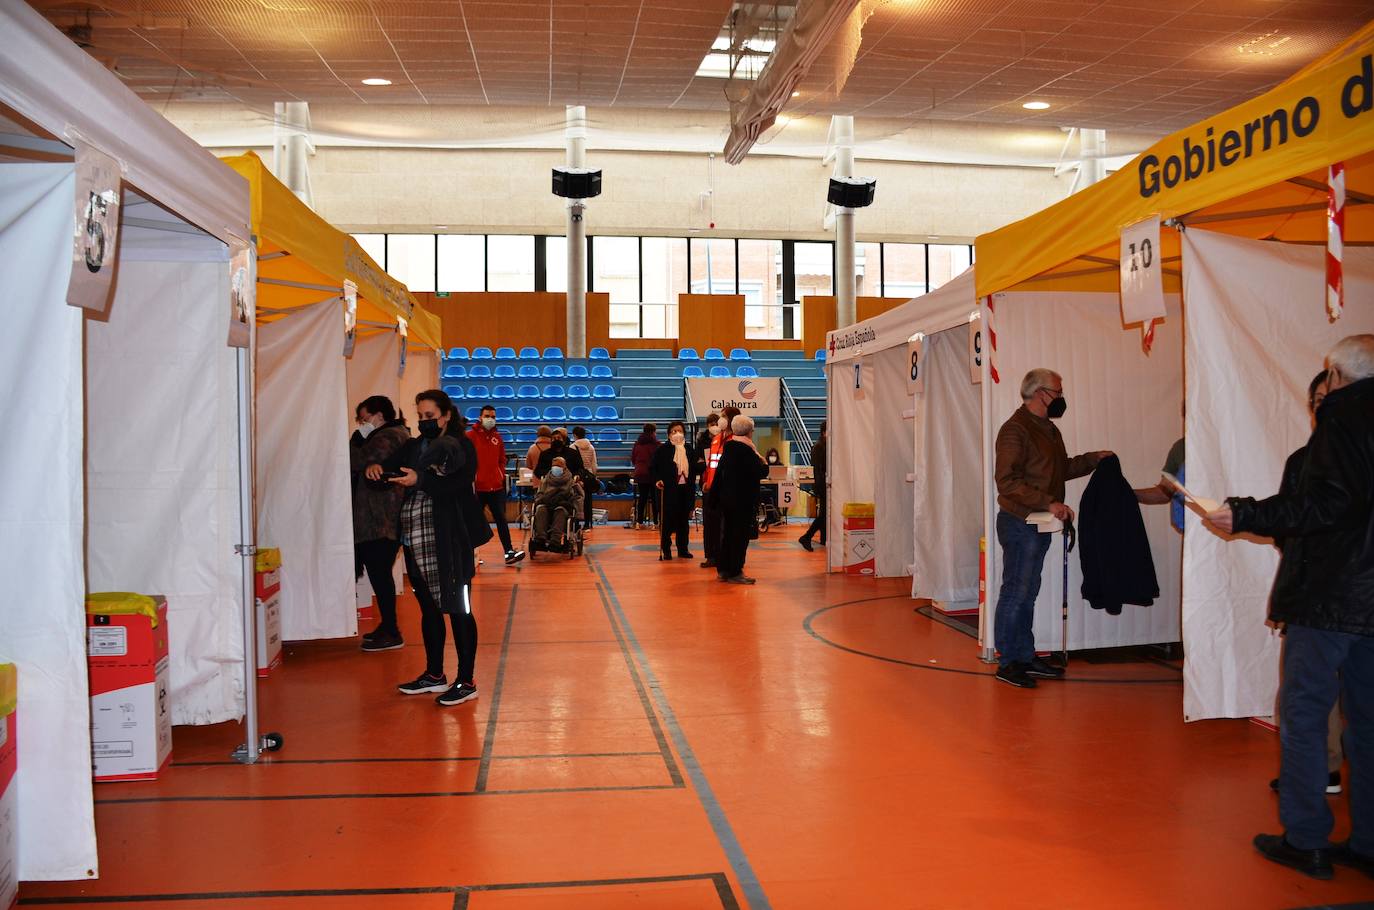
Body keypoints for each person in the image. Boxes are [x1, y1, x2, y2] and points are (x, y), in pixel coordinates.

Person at [1206, 336, 1374, 881]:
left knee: (1303, 714)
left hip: (1328, 597)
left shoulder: (1341, 418)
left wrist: (1247, 513)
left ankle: (1306, 839)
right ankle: (1369, 843)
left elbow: (1327, 504)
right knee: (1368, 725)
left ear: (1338, 375)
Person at [992, 368, 1110, 689]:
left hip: (1038, 525)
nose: (1061, 398)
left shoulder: (1048, 429)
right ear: (1041, 393)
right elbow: (1007, 482)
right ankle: (1009, 662)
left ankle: (1024, 655)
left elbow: (1059, 469)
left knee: (1028, 592)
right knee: (1017, 591)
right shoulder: (1015, 430)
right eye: (1058, 392)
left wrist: (1093, 459)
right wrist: (1048, 502)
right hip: (1020, 523)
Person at [367, 389, 479, 708]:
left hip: (451, 540)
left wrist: (420, 480)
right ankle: (434, 674)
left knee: (459, 610)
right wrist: (377, 471)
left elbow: (456, 485)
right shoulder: (415, 446)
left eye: (430, 416)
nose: (424, 422)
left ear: (445, 415)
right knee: (429, 609)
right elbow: (390, 471)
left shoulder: (462, 446)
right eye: (420, 417)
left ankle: (466, 679)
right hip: (416, 540)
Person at [1267, 371, 1346, 798]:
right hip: (1314, 596)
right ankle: (1321, 769)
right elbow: (1286, 522)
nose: (1323, 406)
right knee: (1308, 693)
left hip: (1352, 598)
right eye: (1317, 399)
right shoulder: (1302, 460)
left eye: (1331, 398)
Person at [350, 396, 410, 652]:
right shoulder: (395, 434)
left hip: (380, 520)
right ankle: (387, 626)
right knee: (379, 574)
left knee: (380, 574)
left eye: (365, 419)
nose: (363, 424)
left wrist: (355, 440)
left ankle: (392, 630)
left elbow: (355, 460)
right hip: (380, 519)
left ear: (379, 415)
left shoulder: (388, 437)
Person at [708, 414, 768, 584]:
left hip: (727, 500)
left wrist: (714, 498)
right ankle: (736, 571)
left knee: (727, 535)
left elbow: (719, 475)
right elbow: (760, 472)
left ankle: (724, 570)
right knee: (740, 537)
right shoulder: (747, 451)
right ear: (749, 432)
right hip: (742, 501)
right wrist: (764, 463)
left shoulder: (729, 448)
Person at [468, 404, 524, 566]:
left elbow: (502, 459)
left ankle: (509, 552)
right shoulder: (470, 437)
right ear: (480, 417)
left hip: (495, 487)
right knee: (473, 522)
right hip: (477, 488)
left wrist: (499, 474)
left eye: (493, 417)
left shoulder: (497, 438)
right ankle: (470, 554)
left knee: (501, 520)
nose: (490, 419)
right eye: (487, 416)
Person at [700, 406, 741, 569]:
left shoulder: (737, 440)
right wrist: (706, 480)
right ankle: (711, 556)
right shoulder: (716, 438)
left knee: (726, 528)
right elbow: (711, 463)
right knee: (710, 526)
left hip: (726, 491)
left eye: (724, 416)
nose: (720, 419)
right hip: (711, 489)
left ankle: (726, 559)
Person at [651, 419, 696, 560]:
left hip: (685, 490)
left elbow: (694, 468)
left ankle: (683, 549)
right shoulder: (662, 450)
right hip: (668, 491)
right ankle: (666, 550)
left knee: (683, 522)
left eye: (680, 431)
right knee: (667, 523)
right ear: (669, 434)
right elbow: (653, 468)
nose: (677, 434)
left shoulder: (689, 449)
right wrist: (658, 479)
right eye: (674, 431)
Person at [529, 456, 583, 554]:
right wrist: (541, 500)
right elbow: (540, 494)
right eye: (554, 466)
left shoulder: (571, 481)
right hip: (547, 504)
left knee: (560, 511)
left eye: (558, 466)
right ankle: (540, 539)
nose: (555, 468)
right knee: (541, 509)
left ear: (564, 467)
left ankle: (555, 541)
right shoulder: (545, 480)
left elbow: (577, 497)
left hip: (562, 505)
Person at [798, 420, 827, 551]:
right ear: (824, 431)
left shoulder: (823, 445)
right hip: (822, 485)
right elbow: (817, 469)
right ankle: (807, 536)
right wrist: (821, 486)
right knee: (824, 514)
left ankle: (823, 538)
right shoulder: (819, 446)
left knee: (824, 513)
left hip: (823, 484)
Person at [631, 423, 660, 529]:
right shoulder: (656, 444)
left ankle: (639, 522)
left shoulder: (637, 444)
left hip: (640, 473)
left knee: (642, 498)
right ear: (653, 432)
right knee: (654, 498)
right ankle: (655, 522)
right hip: (653, 474)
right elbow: (659, 461)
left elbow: (633, 459)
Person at [571, 425, 599, 528]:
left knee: (577, 499)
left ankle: (577, 522)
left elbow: (572, 464)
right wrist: (593, 475)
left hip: (578, 476)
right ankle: (588, 523)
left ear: (575, 435)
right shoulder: (591, 447)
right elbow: (594, 463)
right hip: (589, 475)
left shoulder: (573, 447)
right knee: (588, 500)